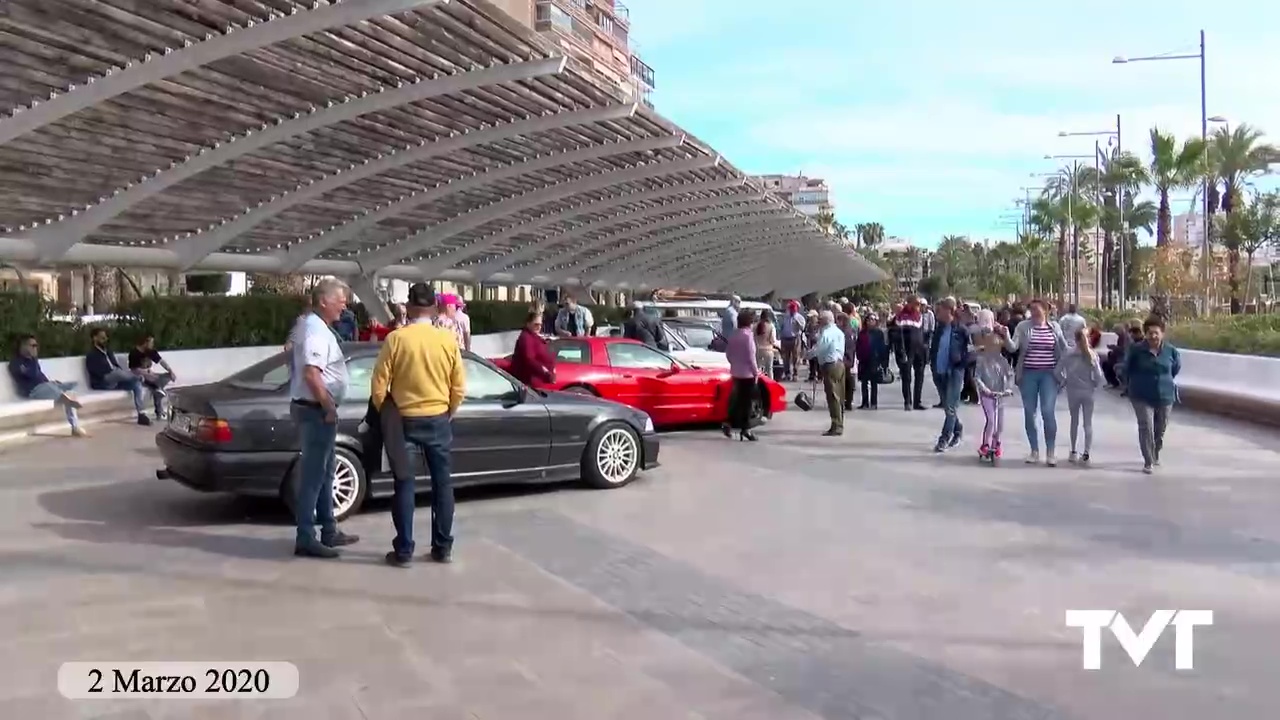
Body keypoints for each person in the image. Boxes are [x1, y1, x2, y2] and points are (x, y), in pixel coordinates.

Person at [371, 282, 465, 566]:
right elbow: (458, 385)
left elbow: (378, 386)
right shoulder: (447, 340)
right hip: (438, 418)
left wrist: (386, 413)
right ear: (435, 308)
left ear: (409, 308)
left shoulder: (396, 339)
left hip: (404, 421)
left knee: (404, 483)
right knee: (442, 485)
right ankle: (443, 547)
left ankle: (403, 551)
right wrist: (449, 410)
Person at [287, 278, 359, 558]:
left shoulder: (314, 327)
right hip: (315, 409)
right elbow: (311, 373)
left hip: (316, 408)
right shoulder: (315, 330)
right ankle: (306, 536)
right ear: (324, 301)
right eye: (340, 299)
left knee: (326, 472)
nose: (345, 304)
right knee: (314, 476)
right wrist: (328, 406)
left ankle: (329, 528)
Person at [1001, 299, 1068, 466]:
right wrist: (1005, 336)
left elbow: (1065, 349)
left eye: (1037, 310)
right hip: (1028, 374)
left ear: (1045, 311)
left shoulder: (1055, 327)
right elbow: (1013, 347)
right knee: (1030, 413)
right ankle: (1034, 450)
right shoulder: (1023, 327)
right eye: (1032, 310)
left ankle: (1051, 451)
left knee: (1047, 411)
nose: (1034, 313)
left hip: (1049, 375)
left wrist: (1061, 369)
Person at [1122, 315, 1181, 474]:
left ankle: (1155, 452)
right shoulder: (1136, 350)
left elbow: (1175, 369)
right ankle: (1148, 460)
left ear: (1162, 333)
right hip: (1141, 394)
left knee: (1160, 427)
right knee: (1146, 426)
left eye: (1156, 333)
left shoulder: (1171, 351)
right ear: (1145, 334)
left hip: (1165, 394)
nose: (1153, 336)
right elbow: (1126, 368)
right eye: (1149, 333)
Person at [8, 334, 86, 437]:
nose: (36, 348)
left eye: (36, 345)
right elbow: (32, 375)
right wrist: (35, 359)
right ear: (23, 346)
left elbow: (40, 375)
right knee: (62, 393)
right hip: (34, 391)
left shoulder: (31, 361)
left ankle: (64, 397)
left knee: (72, 385)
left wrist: (52, 382)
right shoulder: (16, 363)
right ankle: (75, 426)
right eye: (33, 345)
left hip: (45, 386)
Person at [85, 327, 150, 426]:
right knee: (118, 373)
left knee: (136, 384)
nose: (105, 339)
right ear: (95, 338)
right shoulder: (91, 355)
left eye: (105, 337)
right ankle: (136, 376)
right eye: (102, 338)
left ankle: (141, 414)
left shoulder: (108, 352)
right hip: (103, 382)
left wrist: (118, 373)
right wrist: (115, 373)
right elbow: (96, 373)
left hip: (116, 381)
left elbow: (116, 366)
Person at [928, 299, 970, 452]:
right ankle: (958, 430)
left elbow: (970, 352)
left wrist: (961, 363)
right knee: (948, 407)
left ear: (949, 311)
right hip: (939, 372)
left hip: (954, 373)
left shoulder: (961, 330)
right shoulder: (939, 329)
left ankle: (944, 438)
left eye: (940, 310)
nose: (938, 313)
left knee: (951, 407)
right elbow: (935, 349)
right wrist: (932, 365)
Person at [972, 312, 1015, 460]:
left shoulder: (1002, 361)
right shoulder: (981, 360)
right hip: (987, 393)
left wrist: (1009, 388)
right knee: (990, 420)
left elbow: (1010, 374)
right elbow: (976, 376)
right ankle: (985, 444)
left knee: (1000, 423)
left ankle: (997, 443)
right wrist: (984, 389)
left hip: (1000, 392)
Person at [1061, 326, 1104, 465]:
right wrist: (1094, 384)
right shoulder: (1092, 355)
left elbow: (1057, 371)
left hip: (1073, 390)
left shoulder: (1068, 353)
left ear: (1075, 339)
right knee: (1088, 423)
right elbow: (1099, 376)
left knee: (1074, 421)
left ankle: (1073, 451)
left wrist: (1064, 381)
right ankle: (1086, 452)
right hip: (1088, 391)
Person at [722, 308, 760, 442]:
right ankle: (746, 429)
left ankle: (729, 423)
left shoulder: (734, 335)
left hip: (736, 372)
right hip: (748, 374)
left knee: (737, 400)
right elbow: (751, 356)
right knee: (747, 403)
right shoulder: (748, 336)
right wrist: (756, 372)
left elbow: (728, 354)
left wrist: (734, 363)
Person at [806, 310, 846, 436]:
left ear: (825, 320)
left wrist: (808, 355)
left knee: (833, 395)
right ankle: (839, 422)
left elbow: (819, 348)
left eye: (820, 320)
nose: (819, 322)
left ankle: (836, 425)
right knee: (839, 394)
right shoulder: (838, 331)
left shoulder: (826, 333)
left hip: (830, 364)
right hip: (839, 363)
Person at [127, 333, 176, 420]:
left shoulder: (151, 351)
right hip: (139, 376)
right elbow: (134, 370)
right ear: (145, 343)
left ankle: (158, 389)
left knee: (166, 377)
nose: (152, 345)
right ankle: (159, 409)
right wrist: (147, 373)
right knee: (153, 383)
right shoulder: (134, 353)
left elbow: (161, 361)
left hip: (150, 375)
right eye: (151, 342)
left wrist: (170, 371)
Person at [892, 297, 928, 411]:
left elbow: (923, 333)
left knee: (920, 375)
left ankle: (917, 401)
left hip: (919, 350)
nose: (918, 306)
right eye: (916, 303)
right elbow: (898, 337)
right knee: (906, 377)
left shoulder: (919, 316)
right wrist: (901, 352)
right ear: (909, 304)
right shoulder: (900, 317)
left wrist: (925, 349)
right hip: (907, 350)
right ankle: (907, 401)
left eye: (919, 304)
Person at [510, 309, 555, 386]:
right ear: (528, 324)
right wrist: (545, 373)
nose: (539, 327)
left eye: (540, 325)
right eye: (536, 324)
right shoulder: (525, 338)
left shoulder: (535, 337)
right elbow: (530, 359)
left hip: (538, 381)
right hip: (528, 383)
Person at [854, 313, 889, 409]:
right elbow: (858, 345)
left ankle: (874, 403)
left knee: (874, 382)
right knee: (864, 382)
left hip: (875, 359)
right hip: (864, 360)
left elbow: (883, 347)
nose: (870, 321)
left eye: (873, 319)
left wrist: (883, 362)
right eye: (869, 319)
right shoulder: (862, 333)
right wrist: (858, 355)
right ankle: (864, 402)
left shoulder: (879, 333)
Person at [778, 300, 805, 380]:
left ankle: (795, 373)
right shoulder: (785, 317)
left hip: (795, 338)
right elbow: (780, 326)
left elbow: (803, 328)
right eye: (791, 309)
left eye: (794, 309)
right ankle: (787, 373)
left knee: (795, 356)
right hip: (785, 338)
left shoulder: (799, 317)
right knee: (786, 357)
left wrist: (798, 324)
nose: (792, 311)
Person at [837, 313, 857, 411]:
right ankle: (848, 401)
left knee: (845, 381)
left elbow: (847, 347)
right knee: (848, 381)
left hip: (845, 359)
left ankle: (845, 401)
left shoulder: (844, 332)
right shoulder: (850, 331)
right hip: (850, 359)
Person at [754, 308, 779, 381]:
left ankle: (756, 384)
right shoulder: (771, 326)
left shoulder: (755, 326)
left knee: (757, 369)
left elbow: (753, 337)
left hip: (757, 349)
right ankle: (770, 385)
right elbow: (773, 340)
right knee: (769, 370)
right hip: (768, 350)